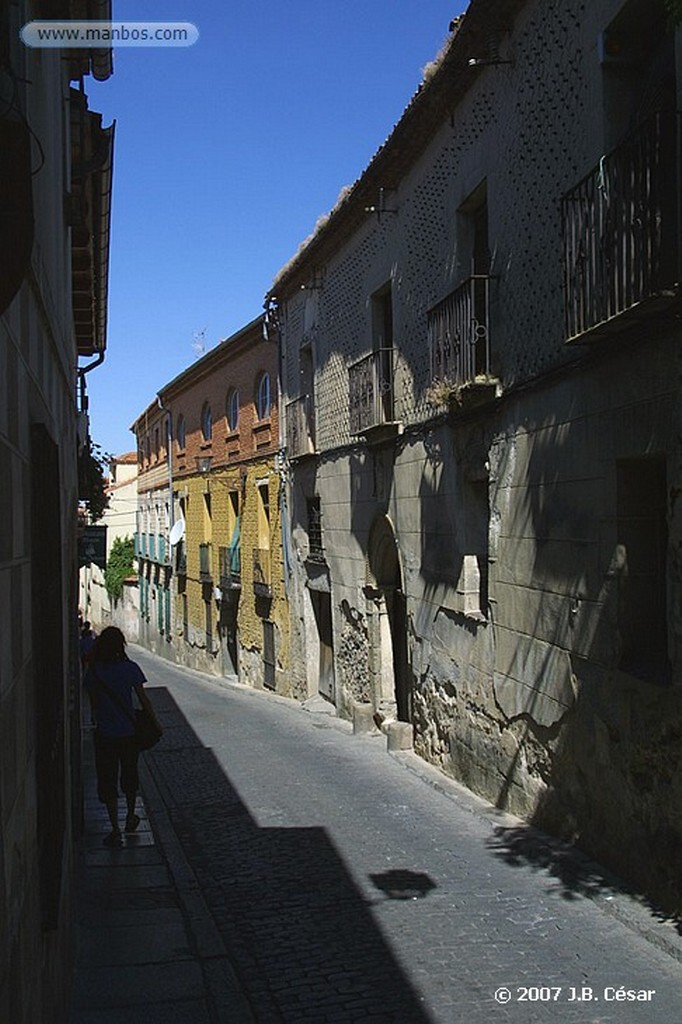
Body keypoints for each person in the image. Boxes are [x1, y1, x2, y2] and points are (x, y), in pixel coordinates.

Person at [83, 627, 163, 847]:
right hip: (128, 733)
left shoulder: (95, 672)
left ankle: (114, 828)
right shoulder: (130, 668)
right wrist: (155, 723)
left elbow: (92, 701)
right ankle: (130, 816)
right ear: (121, 646)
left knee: (107, 779)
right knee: (129, 776)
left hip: (105, 734)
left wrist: (96, 717)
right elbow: (144, 700)